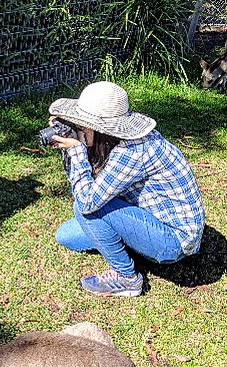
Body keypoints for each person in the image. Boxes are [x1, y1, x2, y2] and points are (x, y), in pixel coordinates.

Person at [48, 81, 205, 297]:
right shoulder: (114, 143)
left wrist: (76, 152)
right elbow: (82, 184)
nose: (76, 129)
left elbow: (85, 200)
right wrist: (69, 148)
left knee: (84, 209)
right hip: (148, 218)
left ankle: (127, 279)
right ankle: (132, 244)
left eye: (80, 125)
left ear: (100, 129)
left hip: (174, 241)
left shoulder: (132, 151)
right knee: (66, 235)